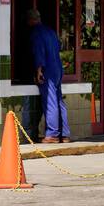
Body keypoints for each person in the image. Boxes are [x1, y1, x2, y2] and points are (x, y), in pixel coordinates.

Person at [28, 8, 69, 143]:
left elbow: (39, 52)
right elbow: (58, 47)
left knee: (50, 101)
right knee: (59, 101)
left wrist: (39, 70)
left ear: (31, 20)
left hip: (48, 70)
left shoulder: (36, 33)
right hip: (57, 68)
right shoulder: (51, 32)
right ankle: (65, 134)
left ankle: (52, 134)